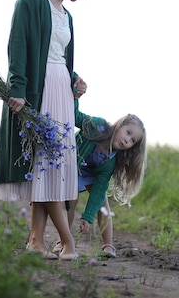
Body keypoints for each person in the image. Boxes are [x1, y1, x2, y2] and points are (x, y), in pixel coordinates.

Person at [0, 0, 99, 261]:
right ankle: (67, 242)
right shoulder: (31, 0)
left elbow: (60, 58)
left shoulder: (68, 17)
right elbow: (18, 45)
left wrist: (74, 79)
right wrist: (17, 89)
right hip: (38, 92)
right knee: (46, 165)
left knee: (50, 168)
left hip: (61, 94)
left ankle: (36, 241)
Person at [61, 99, 147, 258]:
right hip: (75, 166)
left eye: (132, 141)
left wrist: (87, 217)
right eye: (128, 133)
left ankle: (108, 246)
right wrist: (74, 97)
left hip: (93, 173)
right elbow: (76, 116)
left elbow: (100, 188)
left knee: (102, 203)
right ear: (120, 124)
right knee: (70, 200)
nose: (127, 140)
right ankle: (63, 241)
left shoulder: (111, 160)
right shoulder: (98, 126)